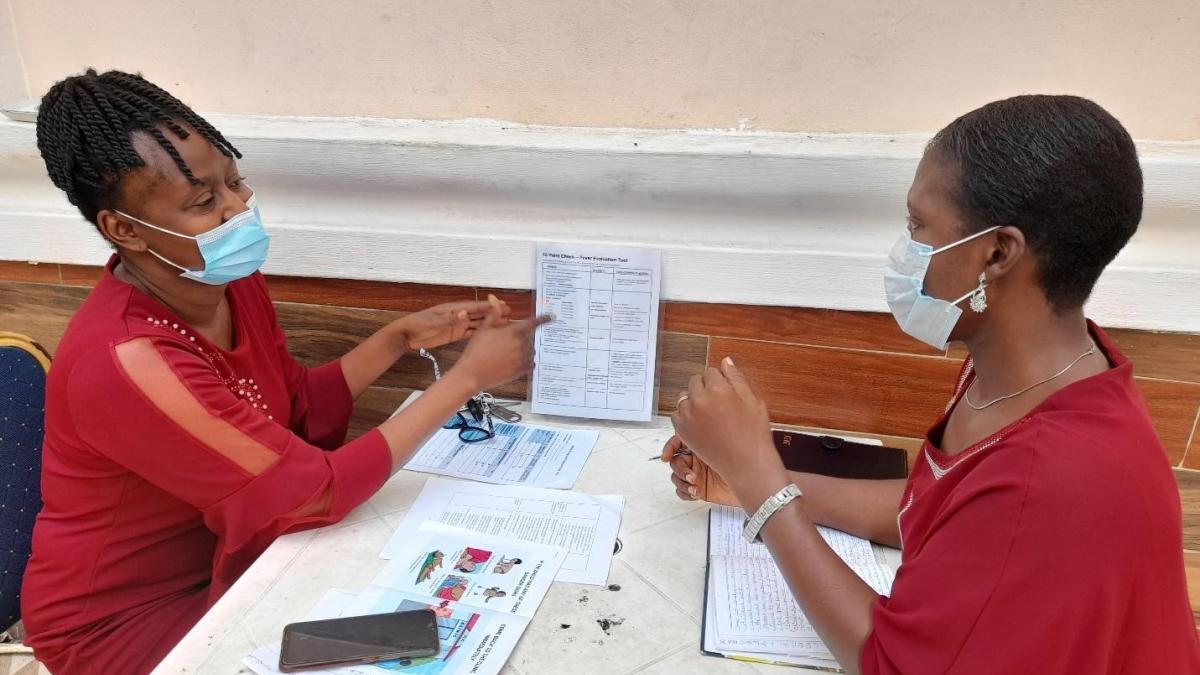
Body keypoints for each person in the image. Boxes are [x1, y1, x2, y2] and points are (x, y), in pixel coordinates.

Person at [21, 68, 548, 675]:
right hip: (120, 622)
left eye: (235, 182)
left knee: (419, 629)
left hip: (230, 565)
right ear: (125, 230)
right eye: (204, 202)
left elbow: (291, 403)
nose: (238, 209)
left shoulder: (230, 283)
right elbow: (315, 492)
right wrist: (463, 381)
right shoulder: (129, 361)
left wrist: (399, 338)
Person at [664, 95, 1200, 674]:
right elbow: (934, 512)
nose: (905, 250)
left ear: (996, 253)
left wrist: (759, 478)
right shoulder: (1026, 373)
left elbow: (892, 662)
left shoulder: (1054, 472)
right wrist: (750, 479)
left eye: (918, 226)